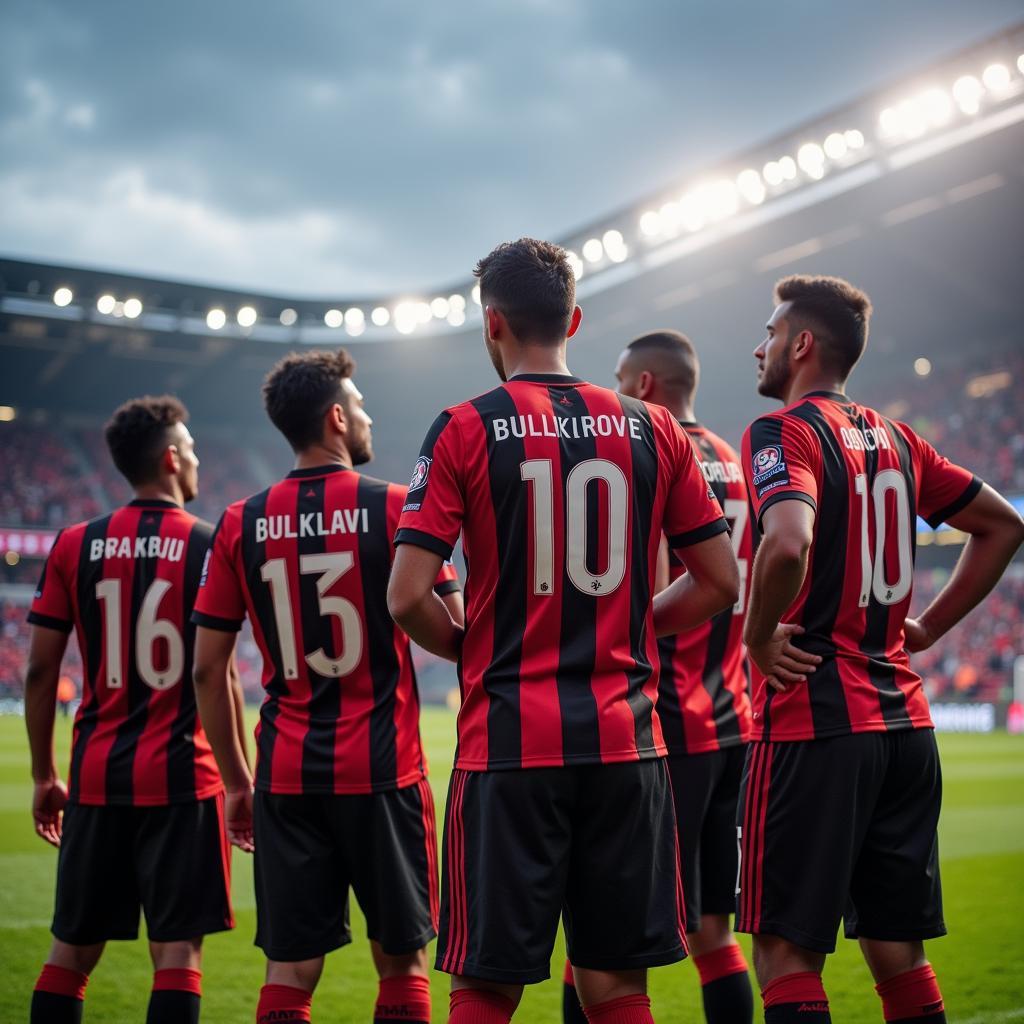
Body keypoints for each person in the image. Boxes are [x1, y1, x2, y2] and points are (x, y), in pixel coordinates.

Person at [387, 238, 740, 1024]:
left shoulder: (462, 427)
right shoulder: (655, 427)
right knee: (616, 986)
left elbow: (408, 596)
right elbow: (721, 581)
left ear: (492, 324)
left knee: (486, 985)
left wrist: (469, 644)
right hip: (628, 743)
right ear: (573, 318)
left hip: (508, 745)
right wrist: (636, 630)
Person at [737, 274, 1024, 1024]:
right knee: (898, 951)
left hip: (815, 724)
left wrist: (756, 634)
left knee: (785, 951)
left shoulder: (782, 431)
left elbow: (788, 538)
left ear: (801, 344)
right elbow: (1003, 526)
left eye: (769, 333)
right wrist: (926, 628)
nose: (757, 346)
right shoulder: (898, 438)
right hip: (906, 727)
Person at [192, 348, 463, 1024]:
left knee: (290, 968)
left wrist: (234, 782)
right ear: (337, 417)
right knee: (401, 961)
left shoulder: (238, 521)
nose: (369, 416)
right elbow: (456, 630)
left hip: (286, 774)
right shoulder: (398, 507)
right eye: (362, 404)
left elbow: (205, 668)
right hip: (384, 771)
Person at [24, 396, 238, 1024]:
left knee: (70, 951)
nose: (197, 461)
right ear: (171, 459)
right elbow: (212, 671)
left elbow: (39, 672)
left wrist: (44, 775)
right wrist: (239, 780)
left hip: (97, 778)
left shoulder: (73, 544)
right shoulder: (209, 544)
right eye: (192, 450)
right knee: (177, 953)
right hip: (182, 778)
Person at [561, 329, 748, 1024]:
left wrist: (625, 627)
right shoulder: (734, 459)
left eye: (617, 377)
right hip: (732, 718)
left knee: (596, 934)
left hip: (659, 724)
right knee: (714, 934)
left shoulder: (641, 450)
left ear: (643, 386)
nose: (610, 389)